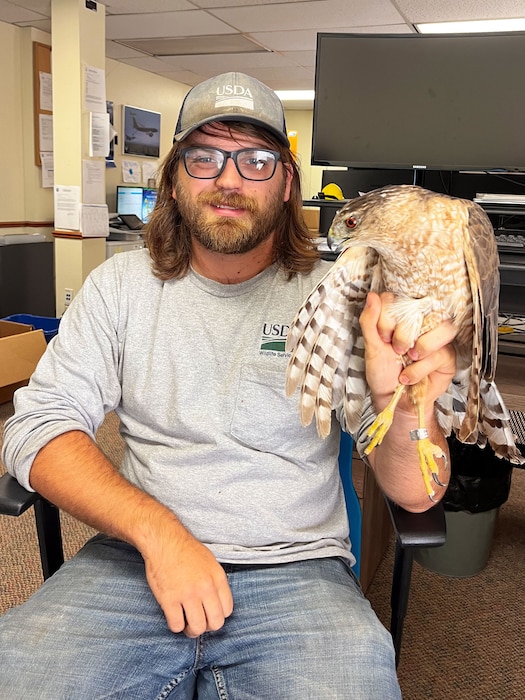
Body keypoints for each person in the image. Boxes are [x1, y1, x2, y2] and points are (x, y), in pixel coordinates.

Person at [0, 72, 454, 699]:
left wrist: (400, 405)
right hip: (133, 560)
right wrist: (159, 534)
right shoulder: (119, 288)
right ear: (175, 176)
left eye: (257, 159)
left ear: (288, 181)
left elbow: (418, 493)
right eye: (205, 156)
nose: (229, 178)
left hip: (295, 576)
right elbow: (38, 425)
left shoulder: (341, 299)